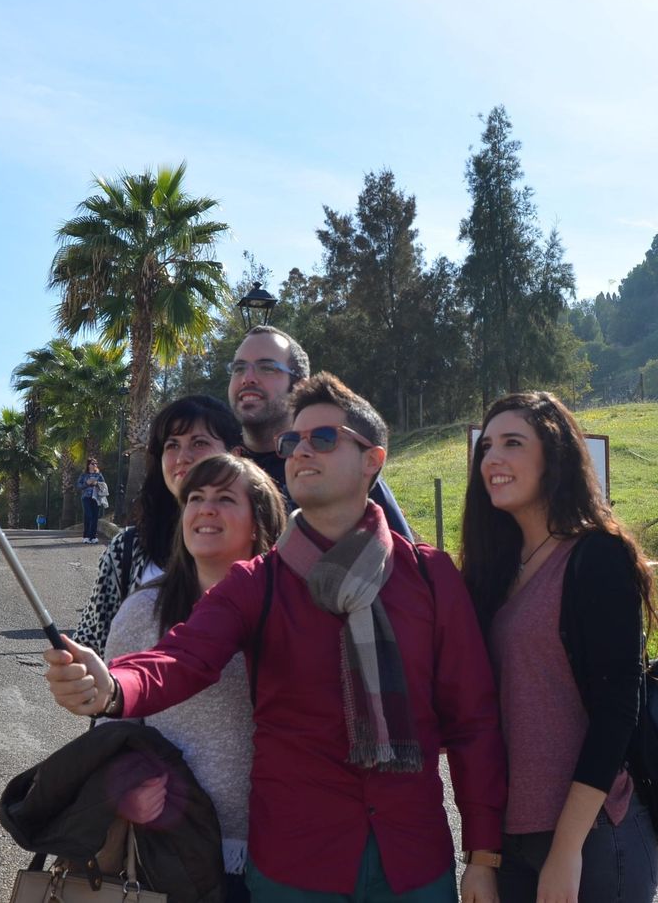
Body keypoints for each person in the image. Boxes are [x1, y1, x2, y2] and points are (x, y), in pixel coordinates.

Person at [44, 373, 506, 903]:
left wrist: (483, 857)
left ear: (373, 461)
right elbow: (182, 656)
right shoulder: (259, 581)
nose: (301, 451)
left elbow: (473, 721)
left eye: (323, 438)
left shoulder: (428, 576)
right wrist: (114, 688)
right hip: (295, 867)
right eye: (292, 441)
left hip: (412, 861)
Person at [460, 392, 658, 903]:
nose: (493, 460)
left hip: (590, 837)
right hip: (508, 840)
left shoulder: (597, 555)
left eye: (512, 444)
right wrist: (481, 854)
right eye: (486, 448)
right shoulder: (491, 571)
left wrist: (567, 850)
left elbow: (619, 711)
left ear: (554, 456)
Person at [101, 453, 286, 903]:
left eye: (225, 498)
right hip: (173, 846)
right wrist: (125, 791)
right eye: (195, 498)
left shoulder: (292, 609)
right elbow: (112, 730)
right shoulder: (144, 610)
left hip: (280, 849)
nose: (205, 509)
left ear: (259, 522)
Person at [70, 396, 242, 653]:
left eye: (199, 442)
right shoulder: (127, 549)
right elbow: (89, 645)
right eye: (172, 445)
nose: (183, 457)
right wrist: (74, 676)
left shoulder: (265, 548)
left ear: (235, 456)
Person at [228, 324, 414, 539]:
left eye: (267, 367)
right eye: (239, 368)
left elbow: (404, 564)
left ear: (300, 386)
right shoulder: (214, 468)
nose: (247, 378)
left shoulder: (344, 475)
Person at [78, 458, 109, 543]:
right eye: (93, 463)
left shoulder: (99, 475)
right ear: (88, 465)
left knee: (95, 517)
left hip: (96, 498)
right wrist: (86, 483)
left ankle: (93, 537)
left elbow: (104, 485)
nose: (95, 465)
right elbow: (79, 486)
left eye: (96, 463)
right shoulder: (84, 475)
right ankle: (86, 536)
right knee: (88, 515)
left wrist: (97, 484)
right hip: (86, 498)